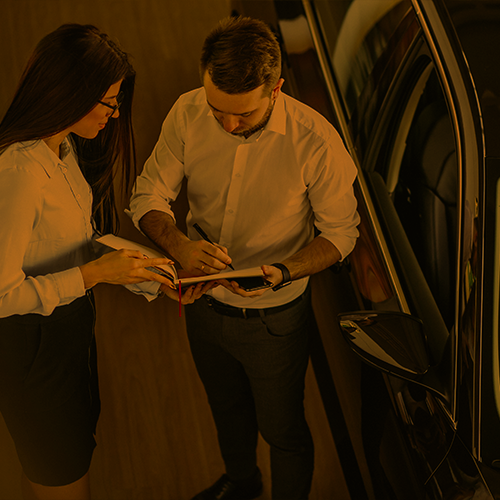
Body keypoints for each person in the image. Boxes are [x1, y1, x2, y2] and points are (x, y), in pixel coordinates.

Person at [128, 16, 360, 500]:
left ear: (276, 89)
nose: (228, 125)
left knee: (283, 430)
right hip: (201, 305)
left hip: (274, 320)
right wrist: (180, 247)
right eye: (218, 110)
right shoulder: (189, 112)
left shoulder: (317, 143)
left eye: (243, 115)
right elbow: (147, 195)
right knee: (225, 409)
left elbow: (341, 235)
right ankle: (242, 482)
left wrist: (283, 271)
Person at [0, 24, 210, 500]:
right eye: (109, 102)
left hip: (68, 334)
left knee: (74, 456)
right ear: (68, 93)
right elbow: (2, 294)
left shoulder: (64, 149)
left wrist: (158, 276)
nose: (115, 116)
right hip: (33, 352)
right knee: (61, 474)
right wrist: (95, 275)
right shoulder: (16, 174)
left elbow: (79, 242)